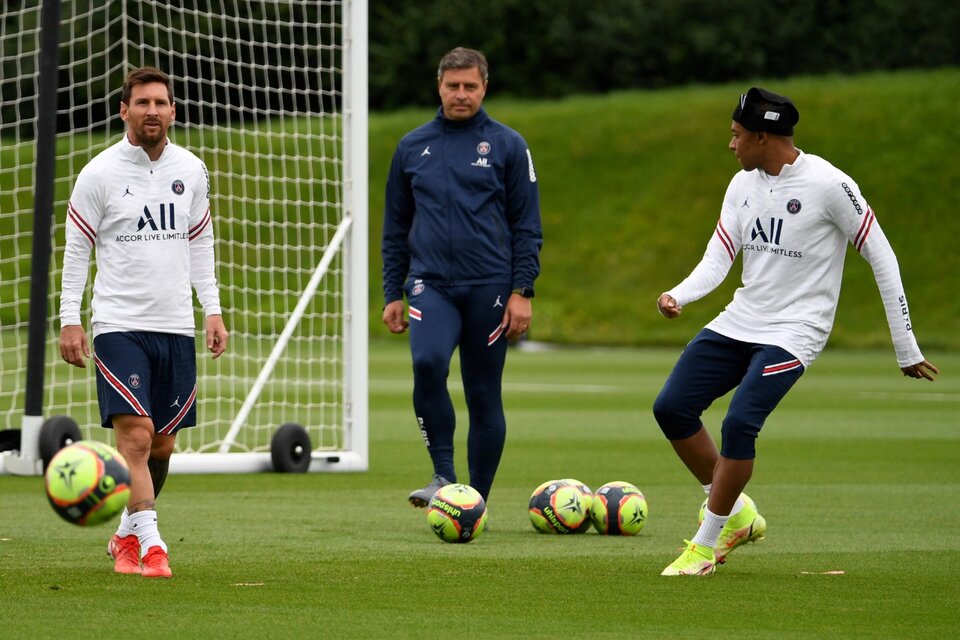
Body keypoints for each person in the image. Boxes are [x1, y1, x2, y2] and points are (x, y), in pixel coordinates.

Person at [653, 87, 938, 576]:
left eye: (736, 135)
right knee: (672, 407)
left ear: (763, 137)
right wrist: (680, 294)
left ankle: (704, 545)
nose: (731, 145)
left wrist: (905, 346)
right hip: (742, 319)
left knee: (740, 422)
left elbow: (882, 256)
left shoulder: (829, 184)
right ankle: (736, 513)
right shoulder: (741, 184)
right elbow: (719, 257)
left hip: (796, 330)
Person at [59, 66, 228, 578]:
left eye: (160, 102)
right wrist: (70, 318)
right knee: (135, 437)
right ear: (124, 111)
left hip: (175, 326)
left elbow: (201, 243)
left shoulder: (191, 170)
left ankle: (123, 537)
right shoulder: (99, 173)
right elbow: (76, 249)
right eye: (142, 103)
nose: (151, 111)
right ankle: (153, 546)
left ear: (173, 110)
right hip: (119, 325)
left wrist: (212, 309)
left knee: (161, 445)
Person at [381, 47, 542, 508]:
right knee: (428, 363)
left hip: (490, 287)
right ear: (439, 86)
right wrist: (393, 291)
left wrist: (522, 289)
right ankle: (443, 476)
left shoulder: (509, 145)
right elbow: (394, 227)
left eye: (470, 86)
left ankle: (476, 499)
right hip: (430, 284)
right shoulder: (412, 146)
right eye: (453, 86)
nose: (461, 94)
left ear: (484, 87)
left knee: (482, 391)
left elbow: (527, 225)